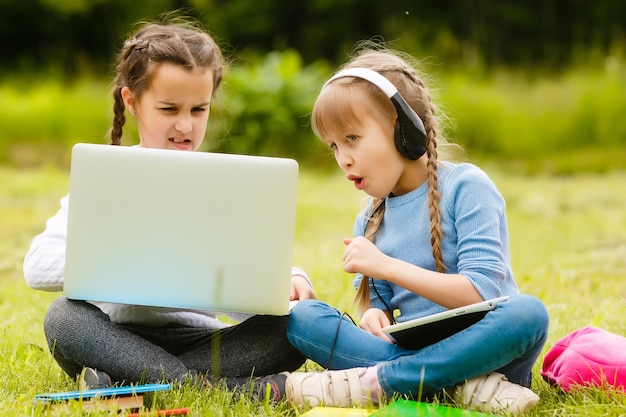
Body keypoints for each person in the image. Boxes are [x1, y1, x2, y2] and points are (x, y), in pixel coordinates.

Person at [23, 19, 314, 398]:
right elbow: (37, 265)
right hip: (114, 336)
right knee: (64, 319)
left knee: (298, 329)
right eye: (169, 108)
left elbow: (248, 285)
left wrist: (291, 280)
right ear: (132, 101)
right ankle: (219, 389)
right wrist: (131, 258)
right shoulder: (106, 178)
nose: (185, 124)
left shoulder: (228, 183)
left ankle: (129, 382)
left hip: (202, 342)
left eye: (198, 109)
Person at [282, 47, 549, 415]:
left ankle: (379, 383)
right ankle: (462, 389)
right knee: (301, 317)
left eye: (352, 139)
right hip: (416, 354)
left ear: (403, 129)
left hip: (489, 354)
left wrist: (385, 266)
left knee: (528, 314)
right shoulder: (369, 219)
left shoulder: (466, 187)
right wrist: (374, 318)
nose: (342, 158)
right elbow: (381, 314)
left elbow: (480, 292)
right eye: (333, 145)